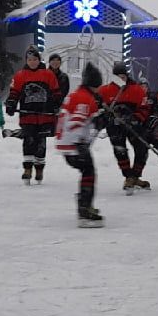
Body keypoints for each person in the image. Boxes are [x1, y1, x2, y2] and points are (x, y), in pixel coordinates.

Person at [57, 63, 107, 228]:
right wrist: (79, 142)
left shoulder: (78, 94)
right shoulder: (84, 98)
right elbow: (76, 121)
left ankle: (85, 206)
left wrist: (97, 118)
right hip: (73, 144)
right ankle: (84, 210)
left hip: (67, 143)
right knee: (89, 171)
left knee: (88, 171)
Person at [98, 62, 152, 193]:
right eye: (118, 76)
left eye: (123, 76)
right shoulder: (104, 90)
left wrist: (136, 118)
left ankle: (135, 175)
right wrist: (107, 117)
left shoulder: (136, 90)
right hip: (114, 126)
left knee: (142, 148)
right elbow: (98, 108)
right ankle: (128, 177)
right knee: (120, 151)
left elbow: (145, 108)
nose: (121, 79)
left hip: (133, 125)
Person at [6, 48, 58, 183]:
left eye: (35, 59)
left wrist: (56, 104)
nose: (32, 62)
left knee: (41, 142)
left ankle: (39, 168)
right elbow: (14, 92)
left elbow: (55, 92)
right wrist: (11, 103)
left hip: (44, 115)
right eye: (29, 60)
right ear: (26, 61)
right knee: (28, 140)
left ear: (39, 60)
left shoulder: (48, 74)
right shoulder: (20, 75)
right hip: (27, 115)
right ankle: (27, 169)